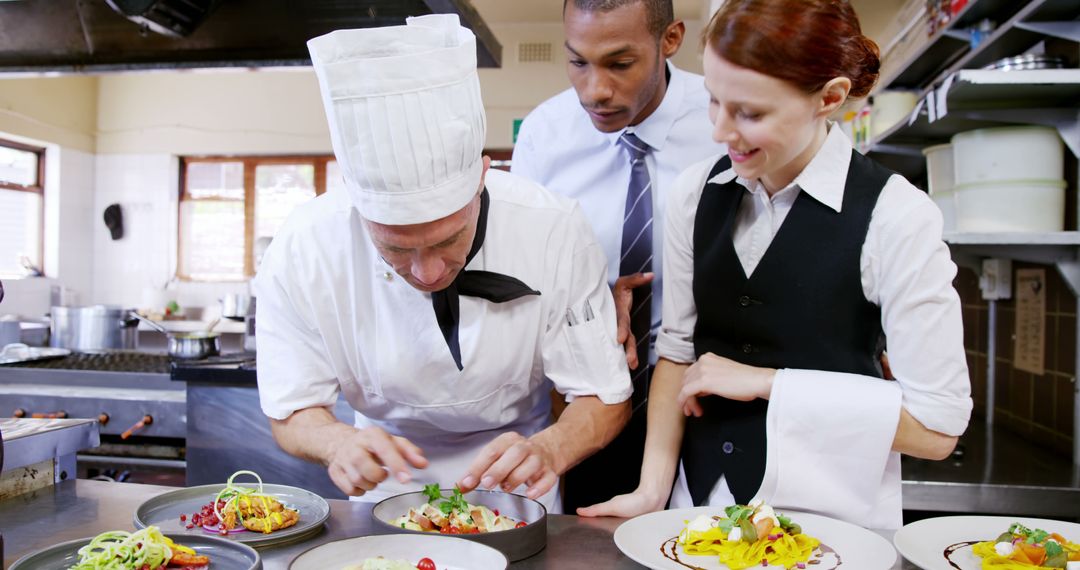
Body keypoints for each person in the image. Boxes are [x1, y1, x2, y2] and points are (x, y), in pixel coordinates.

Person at [580, 0, 972, 529]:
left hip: (829, 527)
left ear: (829, 98)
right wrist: (653, 488)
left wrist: (770, 384)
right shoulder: (695, 193)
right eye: (713, 102)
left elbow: (937, 429)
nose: (720, 131)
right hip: (696, 513)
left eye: (750, 113)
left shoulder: (897, 216)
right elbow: (675, 351)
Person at [254, 14, 633, 513]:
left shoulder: (554, 229)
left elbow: (604, 394)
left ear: (482, 177)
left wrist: (551, 448)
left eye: (448, 239)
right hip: (384, 490)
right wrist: (335, 442)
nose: (428, 273)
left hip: (519, 486)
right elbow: (293, 408)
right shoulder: (305, 248)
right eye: (394, 249)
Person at [511, 0, 724, 512]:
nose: (595, 90)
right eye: (578, 62)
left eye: (620, 64)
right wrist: (586, 301)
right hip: (595, 402)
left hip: (714, 395)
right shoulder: (545, 136)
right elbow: (521, 276)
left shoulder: (724, 117)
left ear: (669, 40)